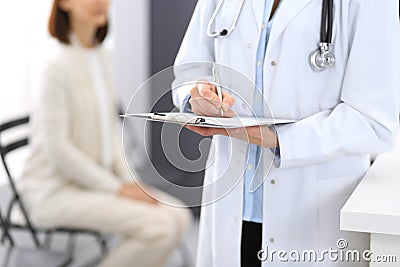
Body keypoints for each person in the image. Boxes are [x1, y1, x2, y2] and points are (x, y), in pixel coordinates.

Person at [172, 0, 400, 266]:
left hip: (310, 216)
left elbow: (373, 122)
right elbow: (191, 70)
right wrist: (198, 96)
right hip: (232, 207)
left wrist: (278, 138)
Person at [19, 0, 192, 266]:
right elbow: (58, 151)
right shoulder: (54, 67)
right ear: (64, 4)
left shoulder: (102, 58)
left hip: (97, 182)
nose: (100, 2)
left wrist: (129, 182)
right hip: (56, 191)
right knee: (160, 228)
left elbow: (110, 132)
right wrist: (117, 188)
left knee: (179, 216)